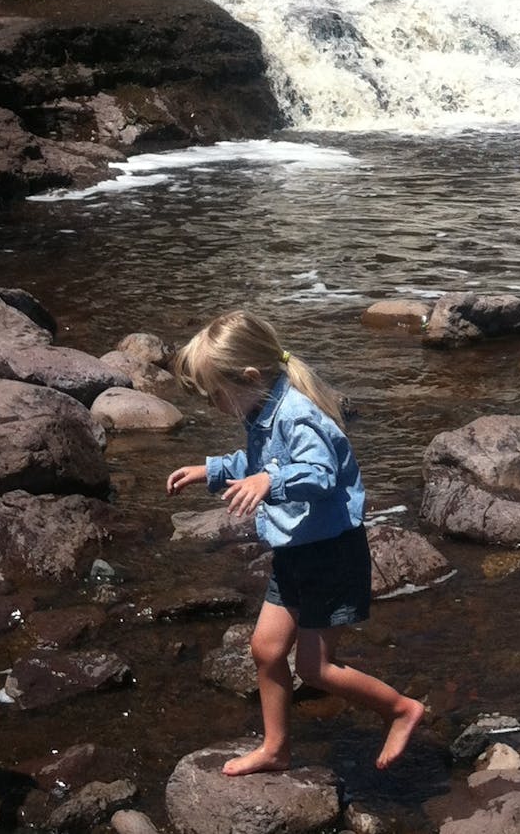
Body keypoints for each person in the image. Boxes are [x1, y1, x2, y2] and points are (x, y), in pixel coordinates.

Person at [165, 310, 424, 777]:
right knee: (265, 649)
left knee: (315, 667)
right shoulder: (265, 408)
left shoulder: (299, 413)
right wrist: (214, 470)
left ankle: (401, 709)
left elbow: (321, 474)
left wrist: (269, 480)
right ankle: (277, 748)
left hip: (331, 553)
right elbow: (261, 459)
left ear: (248, 377)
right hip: (298, 549)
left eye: (215, 396)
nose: (212, 406)